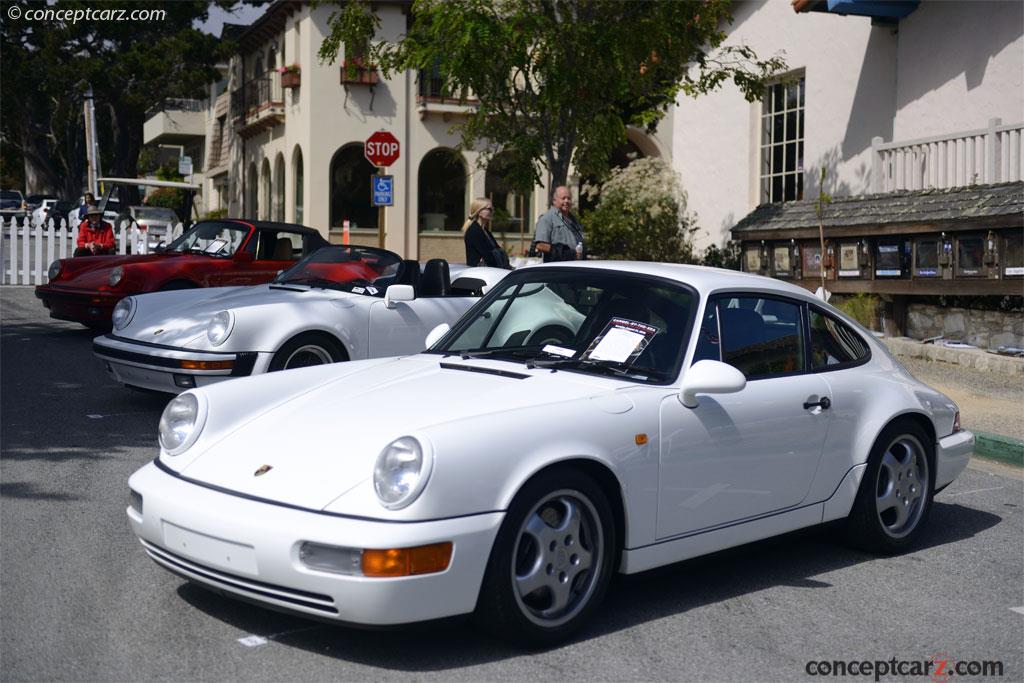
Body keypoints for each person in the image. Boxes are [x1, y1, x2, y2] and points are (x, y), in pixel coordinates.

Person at [533, 185, 585, 262]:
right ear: (554, 200)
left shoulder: (573, 220)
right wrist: (566, 253)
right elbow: (540, 245)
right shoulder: (547, 219)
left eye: (569, 198)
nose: (566, 201)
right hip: (557, 269)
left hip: (575, 266)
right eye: (563, 198)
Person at [462, 198, 511, 268]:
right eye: (489, 209)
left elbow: (496, 250)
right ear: (479, 212)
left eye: (492, 209)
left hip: (488, 271)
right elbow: (487, 255)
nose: (492, 212)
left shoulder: (485, 230)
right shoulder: (474, 231)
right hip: (480, 273)